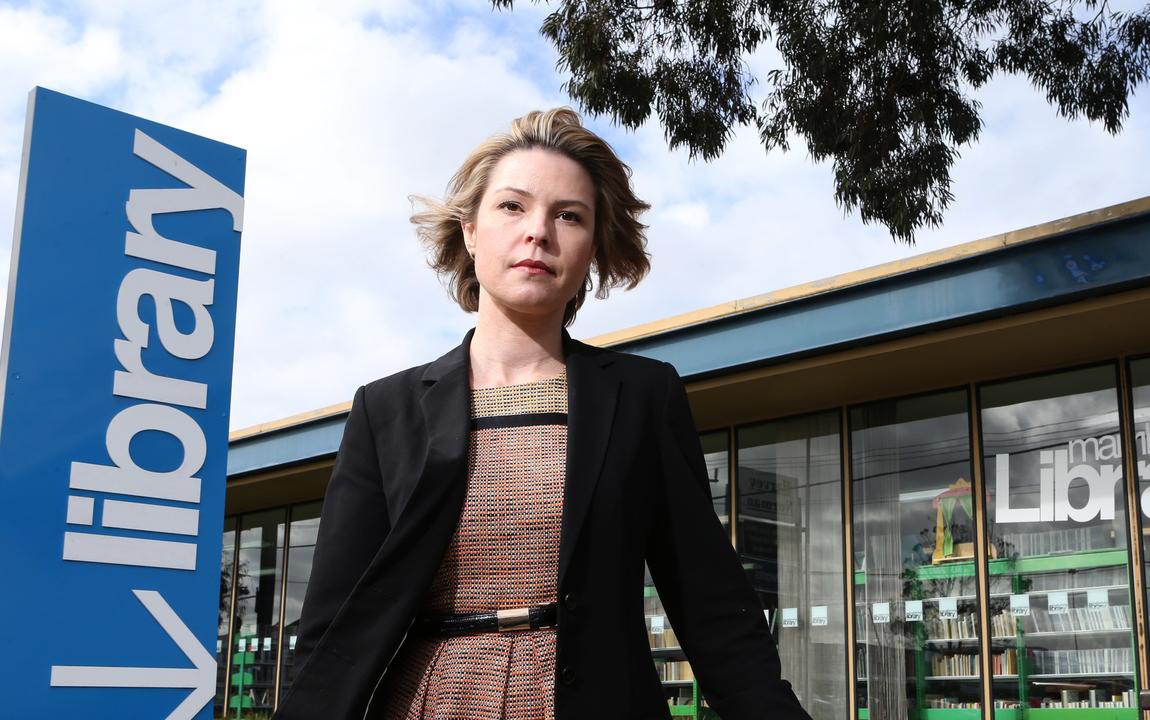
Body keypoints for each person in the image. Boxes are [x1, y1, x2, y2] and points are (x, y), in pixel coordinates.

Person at [272, 108, 811, 720]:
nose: (539, 232)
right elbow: (332, 628)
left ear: (592, 249)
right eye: (512, 207)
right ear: (470, 231)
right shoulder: (385, 410)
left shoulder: (642, 397)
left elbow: (713, 610)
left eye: (569, 216)